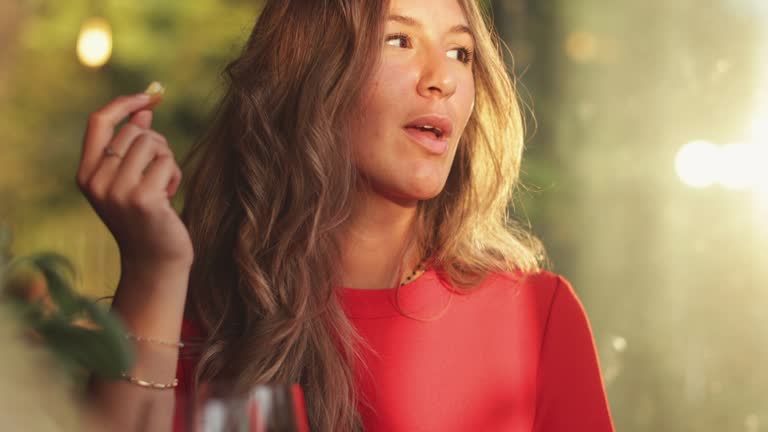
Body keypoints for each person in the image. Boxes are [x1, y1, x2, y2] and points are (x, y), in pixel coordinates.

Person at [77, 0, 616, 431]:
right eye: (399, 40)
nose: (442, 79)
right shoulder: (195, 314)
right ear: (308, 74)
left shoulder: (536, 317)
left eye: (461, 52)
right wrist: (154, 270)